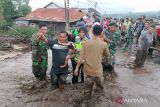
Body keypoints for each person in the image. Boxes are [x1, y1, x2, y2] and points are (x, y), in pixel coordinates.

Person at [74, 25, 110, 106]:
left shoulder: (85, 43)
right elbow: (107, 56)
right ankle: (97, 103)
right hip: (98, 71)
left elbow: (81, 57)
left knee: (87, 90)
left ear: (92, 32)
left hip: (88, 71)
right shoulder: (104, 44)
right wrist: (107, 62)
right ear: (101, 33)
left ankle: (86, 103)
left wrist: (76, 68)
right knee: (99, 88)